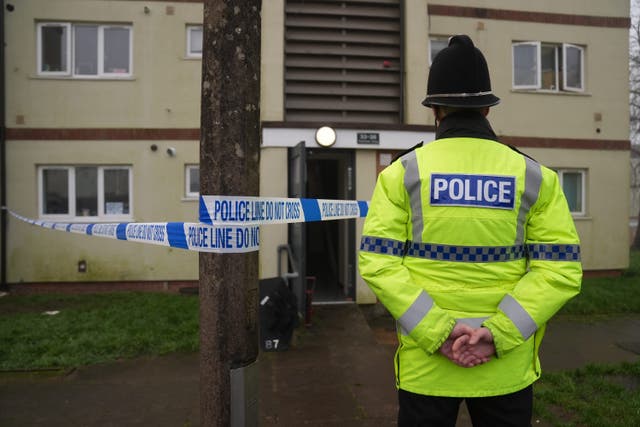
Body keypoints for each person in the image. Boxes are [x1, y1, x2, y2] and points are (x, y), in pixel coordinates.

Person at [358, 35, 582, 426]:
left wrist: (441, 333)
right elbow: (559, 270)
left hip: (427, 367)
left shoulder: (402, 174)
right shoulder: (534, 176)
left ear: (436, 111)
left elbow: (378, 263)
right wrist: (496, 335)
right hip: (504, 367)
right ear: (486, 108)